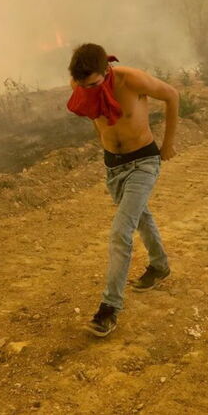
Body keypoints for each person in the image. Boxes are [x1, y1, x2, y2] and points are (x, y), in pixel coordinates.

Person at [66, 43, 179, 337]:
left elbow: (172, 95)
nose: (86, 89)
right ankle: (160, 266)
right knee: (140, 216)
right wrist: (104, 143)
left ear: (107, 71)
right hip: (113, 166)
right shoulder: (81, 83)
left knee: (121, 231)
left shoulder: (130, 80)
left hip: (143, 161)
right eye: (82, 85)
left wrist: (167, 144)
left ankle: (109, 309)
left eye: (93, 84)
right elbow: (94, 116)